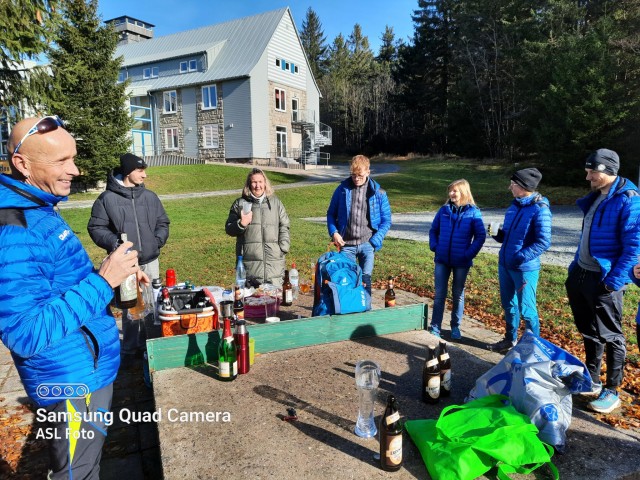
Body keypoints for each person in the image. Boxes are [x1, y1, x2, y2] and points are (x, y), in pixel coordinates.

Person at [0, 116, 148, 478]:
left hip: (86, 369)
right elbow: (24, 332)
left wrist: (112, 280)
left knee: (87, 465)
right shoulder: (13, 229)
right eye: (62, 161)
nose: (75, 169)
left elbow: (57, 286)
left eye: (73, 158)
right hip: (69, 380)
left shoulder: (39, 208)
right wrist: (103, 280)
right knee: (74, 473)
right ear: (23, 164)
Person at [565, 149, 640, 414]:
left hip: (605, 280)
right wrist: (575, 268)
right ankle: (592, 379)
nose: (588, 177)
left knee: (611, 335)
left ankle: (612, 390)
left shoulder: (628, 200)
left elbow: (634, 247)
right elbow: (586, 236)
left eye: (592, 171)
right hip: (581, 275)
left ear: (609, 171)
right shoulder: (596, 197)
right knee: (588, 331)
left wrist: (613, 282)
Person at [88, 153, 170, 367]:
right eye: (140, 170)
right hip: (125, 263)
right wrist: (116, 245)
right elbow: (96, 227)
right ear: (128, 172)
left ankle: (152, 344)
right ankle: (131, 350)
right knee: (131, 306)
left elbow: (163, 222)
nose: (145, 174)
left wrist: (156, 241)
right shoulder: (107, 199)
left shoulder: (150, 197)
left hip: (150, 260)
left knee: (153, 303)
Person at [488, 168, 552, 353]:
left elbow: (543, 242)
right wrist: (498, 234)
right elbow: (507, 236)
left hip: (524, 268)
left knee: (527, 309)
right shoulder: (514, 206)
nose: (510, 187)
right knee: (508, 304)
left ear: (524, 186)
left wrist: (520, 257)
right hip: (505, 264)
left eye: (513, 184)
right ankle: (510, 340)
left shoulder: (540, 210)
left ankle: (533, 349)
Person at [428, 179, 486, 340]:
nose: (451, 194)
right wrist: (435, 246)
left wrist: (468, 255)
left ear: (464, 192)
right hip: (442, 259)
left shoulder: (474, 212)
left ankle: (455, 327)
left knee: (458, 294)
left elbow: (480, 236)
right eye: (450, 191)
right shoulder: (444, 210)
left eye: (455, 191)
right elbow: (434, 230)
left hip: (462, 261)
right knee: (439, 294)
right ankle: (435, 326)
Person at [326, 155, 392, 295]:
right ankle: (348, 312)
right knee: (348, 281)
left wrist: (374, 242)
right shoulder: (342, 190)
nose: (356, 178)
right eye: (353, 175)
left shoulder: (378, 193)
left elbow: (386, 220)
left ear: (368, 172)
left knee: (365, 280)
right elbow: (331, 214)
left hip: (368, 244)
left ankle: (365, 310)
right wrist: (334, 233)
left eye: (360, 175)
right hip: (346, 245)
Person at [225, 168, 290, 286]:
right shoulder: (240, 204)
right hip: (250, 265)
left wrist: (283, 248)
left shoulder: (276, 203)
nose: (257, 186)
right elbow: (229, 229)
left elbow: (284, 225)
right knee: (252, 301)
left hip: (274, 264)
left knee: (274, 300)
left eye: (260, 182)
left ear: (265, 183)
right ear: (249, 184)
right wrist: (241, 223)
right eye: (254, 182)